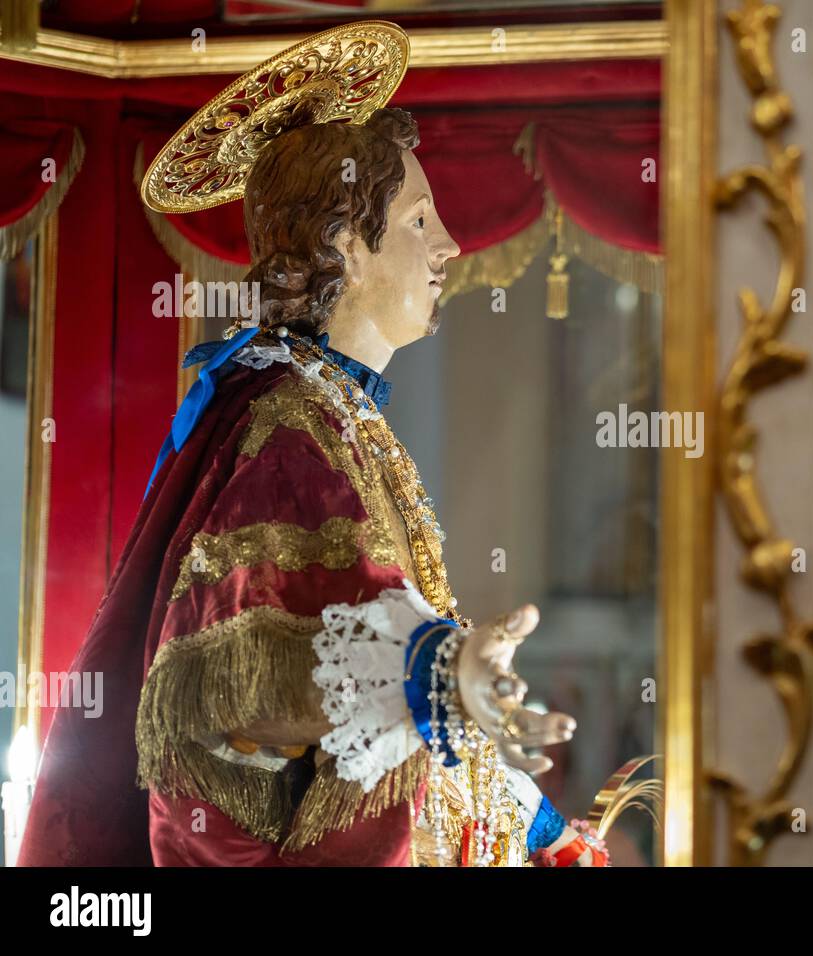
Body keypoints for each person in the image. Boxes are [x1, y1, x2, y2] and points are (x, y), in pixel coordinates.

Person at [18, 21, 607, 868]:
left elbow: (399, 714)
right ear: (342, 245)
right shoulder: (287, 421)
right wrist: (439, 678)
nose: (449, 246)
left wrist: (541, 829)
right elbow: (241, 675)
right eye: (418, 219)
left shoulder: (333, 413)